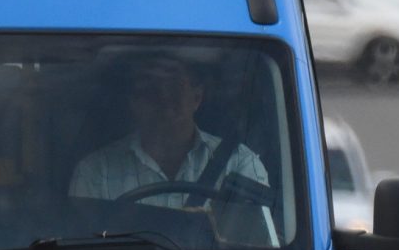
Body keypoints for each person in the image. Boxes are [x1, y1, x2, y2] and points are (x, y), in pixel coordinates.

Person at [70, 51, 269, 208]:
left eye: (174, 87)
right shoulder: (96, 173)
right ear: (133, 101)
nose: (163, 100)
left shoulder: (240, 165)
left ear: (197, 97)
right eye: (150, 90)